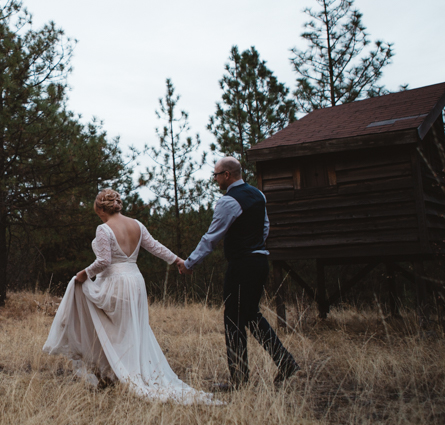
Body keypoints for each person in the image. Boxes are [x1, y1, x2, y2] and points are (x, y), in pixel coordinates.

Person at [43, 189, 222, 405]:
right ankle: (119, 372)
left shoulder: (103, 228)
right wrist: (177, 260)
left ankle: (121, 374)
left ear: (101, 208)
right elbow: (155, 246)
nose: (98, 216)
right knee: (131, 329)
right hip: (136, 282)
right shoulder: (136, 224)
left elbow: (103, 262)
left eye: (97, 212)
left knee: (114, 330)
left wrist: (84, 274)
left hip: (115, 282)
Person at [177, 156, 299, 390]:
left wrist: (190, 263)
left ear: (227, 175)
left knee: (233, 319)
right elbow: (265, 228)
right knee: (251, 315)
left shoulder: (229, 201)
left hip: (242, 264)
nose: (214, 179)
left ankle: (239, 380)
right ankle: (285, 362)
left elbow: (211, 238)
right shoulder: (258, 195)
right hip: (260, 261)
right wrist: (255, 247)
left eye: (216, 175)